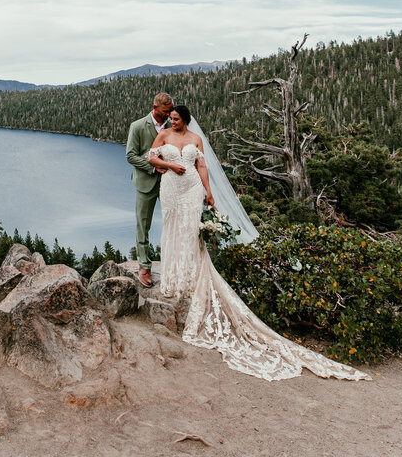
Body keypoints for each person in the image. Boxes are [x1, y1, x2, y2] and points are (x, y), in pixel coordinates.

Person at [147, 104, 368, 381]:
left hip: (191, 187)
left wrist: (209, 192)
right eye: (171, 118)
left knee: (191, 230)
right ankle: (172, 277)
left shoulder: (195, 139)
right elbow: (150, 159)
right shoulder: (164, 135)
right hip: (170, 186)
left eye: (177, 118)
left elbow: (202, 166)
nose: (173, 121)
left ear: (186, 120)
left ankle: (190, 277)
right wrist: (171, 166)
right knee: (172, 228)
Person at [126, 92, 174, 287]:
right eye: (165, 111)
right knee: (143, 225)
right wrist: (153, 167)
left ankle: (174, 264)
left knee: (174, 221)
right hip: (146, 182)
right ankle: (144, 266)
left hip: (170, 183)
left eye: (171, 111)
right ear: (155, 108)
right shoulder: (137, 126)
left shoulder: (174, 126)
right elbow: (130, 156)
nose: (169, 115)